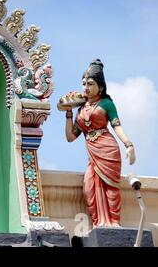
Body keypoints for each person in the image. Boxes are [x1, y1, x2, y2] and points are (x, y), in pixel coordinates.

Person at [64, 59, 136, 227]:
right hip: (93, 155)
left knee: (111, 188)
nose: (85, 88)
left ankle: (114, 223)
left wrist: (129, 144)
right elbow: (71, 137)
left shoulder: (107, 104)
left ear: (100, 87)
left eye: (90, 83)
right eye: (84, 84)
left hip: (108, 149)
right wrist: (68, 112)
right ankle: (99, 222)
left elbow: (117, 126)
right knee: (89, 188)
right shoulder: (81, 109)